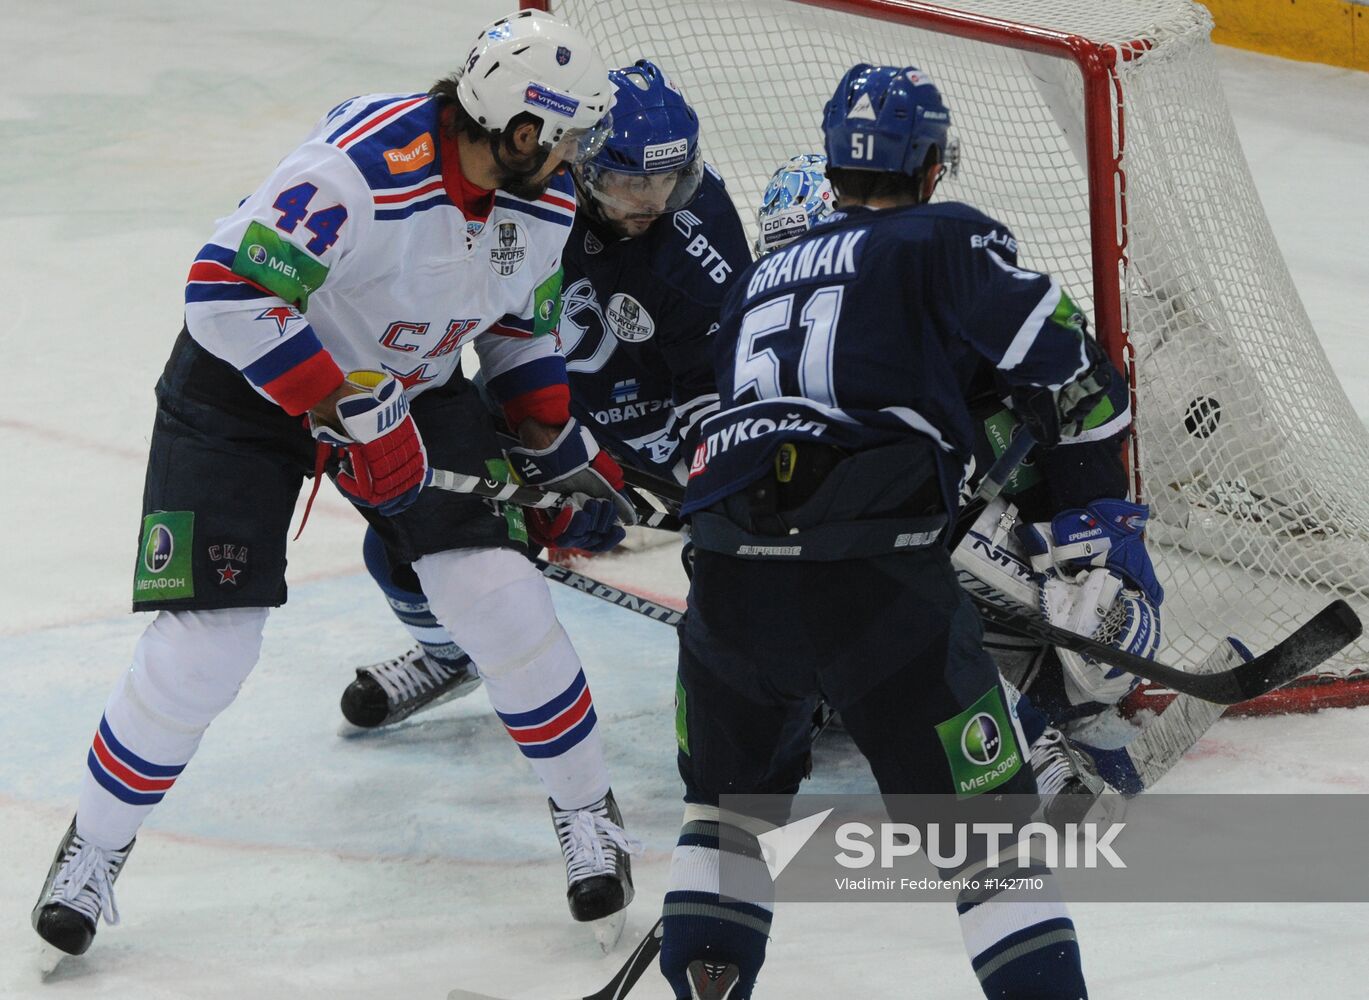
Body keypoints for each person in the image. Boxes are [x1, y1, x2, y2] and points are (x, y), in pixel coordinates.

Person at [31, 10, 641, 958]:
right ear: (520, 130)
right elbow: (226, 288)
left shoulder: (544, 203)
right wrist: (341, 406)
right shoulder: (361, 169)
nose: (572, 157)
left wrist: (545, 428)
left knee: (498, 592)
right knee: (210, 643)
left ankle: (587, 814)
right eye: (562, 137)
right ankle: (94, 850)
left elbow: (516, 327)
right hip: (246, 386)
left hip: (412, 386)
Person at [659, 65, 1109, 999]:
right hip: (875, 581)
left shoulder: (757, 276)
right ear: (934, 164)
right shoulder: (944, 234)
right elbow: (1057, 351)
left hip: (728, 575)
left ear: (830, 168)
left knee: (724, 818)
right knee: (992, 850)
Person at [337, 59, 751, 732]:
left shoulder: (695, 227)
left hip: (666, 426)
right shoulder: (521, 201)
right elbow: (482, 328)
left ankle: (778, 678)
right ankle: (448, 657)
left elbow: (712, 380)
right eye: (628, 182)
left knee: (741, 543)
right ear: (582, 165)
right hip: (544, 408)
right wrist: (546, 451)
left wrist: (714, 480)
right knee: (405, 525)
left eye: (667, 181)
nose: (651, 201)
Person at [754, 154, 1161, 811]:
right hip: (918, 561)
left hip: (1016, 540)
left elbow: (1093, 403)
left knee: (1094, 642)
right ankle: (1025, 727)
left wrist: (1095, 548)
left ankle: (1044, 722)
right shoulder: (776, 349)